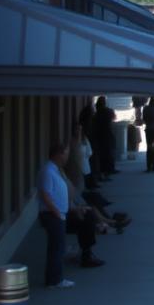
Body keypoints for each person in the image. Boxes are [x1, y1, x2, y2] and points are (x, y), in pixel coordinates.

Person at [38, 143, 103, 289]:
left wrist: (73, 209)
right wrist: (57, 213)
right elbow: (45, 195)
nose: (67, 156)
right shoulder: (48, 171)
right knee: (57, 248)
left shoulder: (56, 170)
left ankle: (55, 278)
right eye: (66, 153)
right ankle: (54, 280)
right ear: (58, 154)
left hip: (61, 213)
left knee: (58, 246)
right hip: (52, 215)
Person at [93, 95, 117, 178]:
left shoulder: (97, 113)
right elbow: (114, 117)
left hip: (99, 135)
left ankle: (104, 170)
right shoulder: (108, 111)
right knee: (109, 152)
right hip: (108, 133)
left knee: (103, 154)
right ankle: (109, 169)